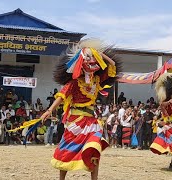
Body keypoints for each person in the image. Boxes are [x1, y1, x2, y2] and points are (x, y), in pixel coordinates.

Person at [40, 39, 121, 180]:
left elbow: (112, 66)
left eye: (93, 58)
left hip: (91, 122)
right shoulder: (74, 82)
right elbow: (61, 96)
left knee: (94, 149)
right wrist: (49, 110)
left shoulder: (97, 80)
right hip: (75, 122)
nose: (91, 61)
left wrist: (100, 54)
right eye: (88, 58)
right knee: (66, 150)